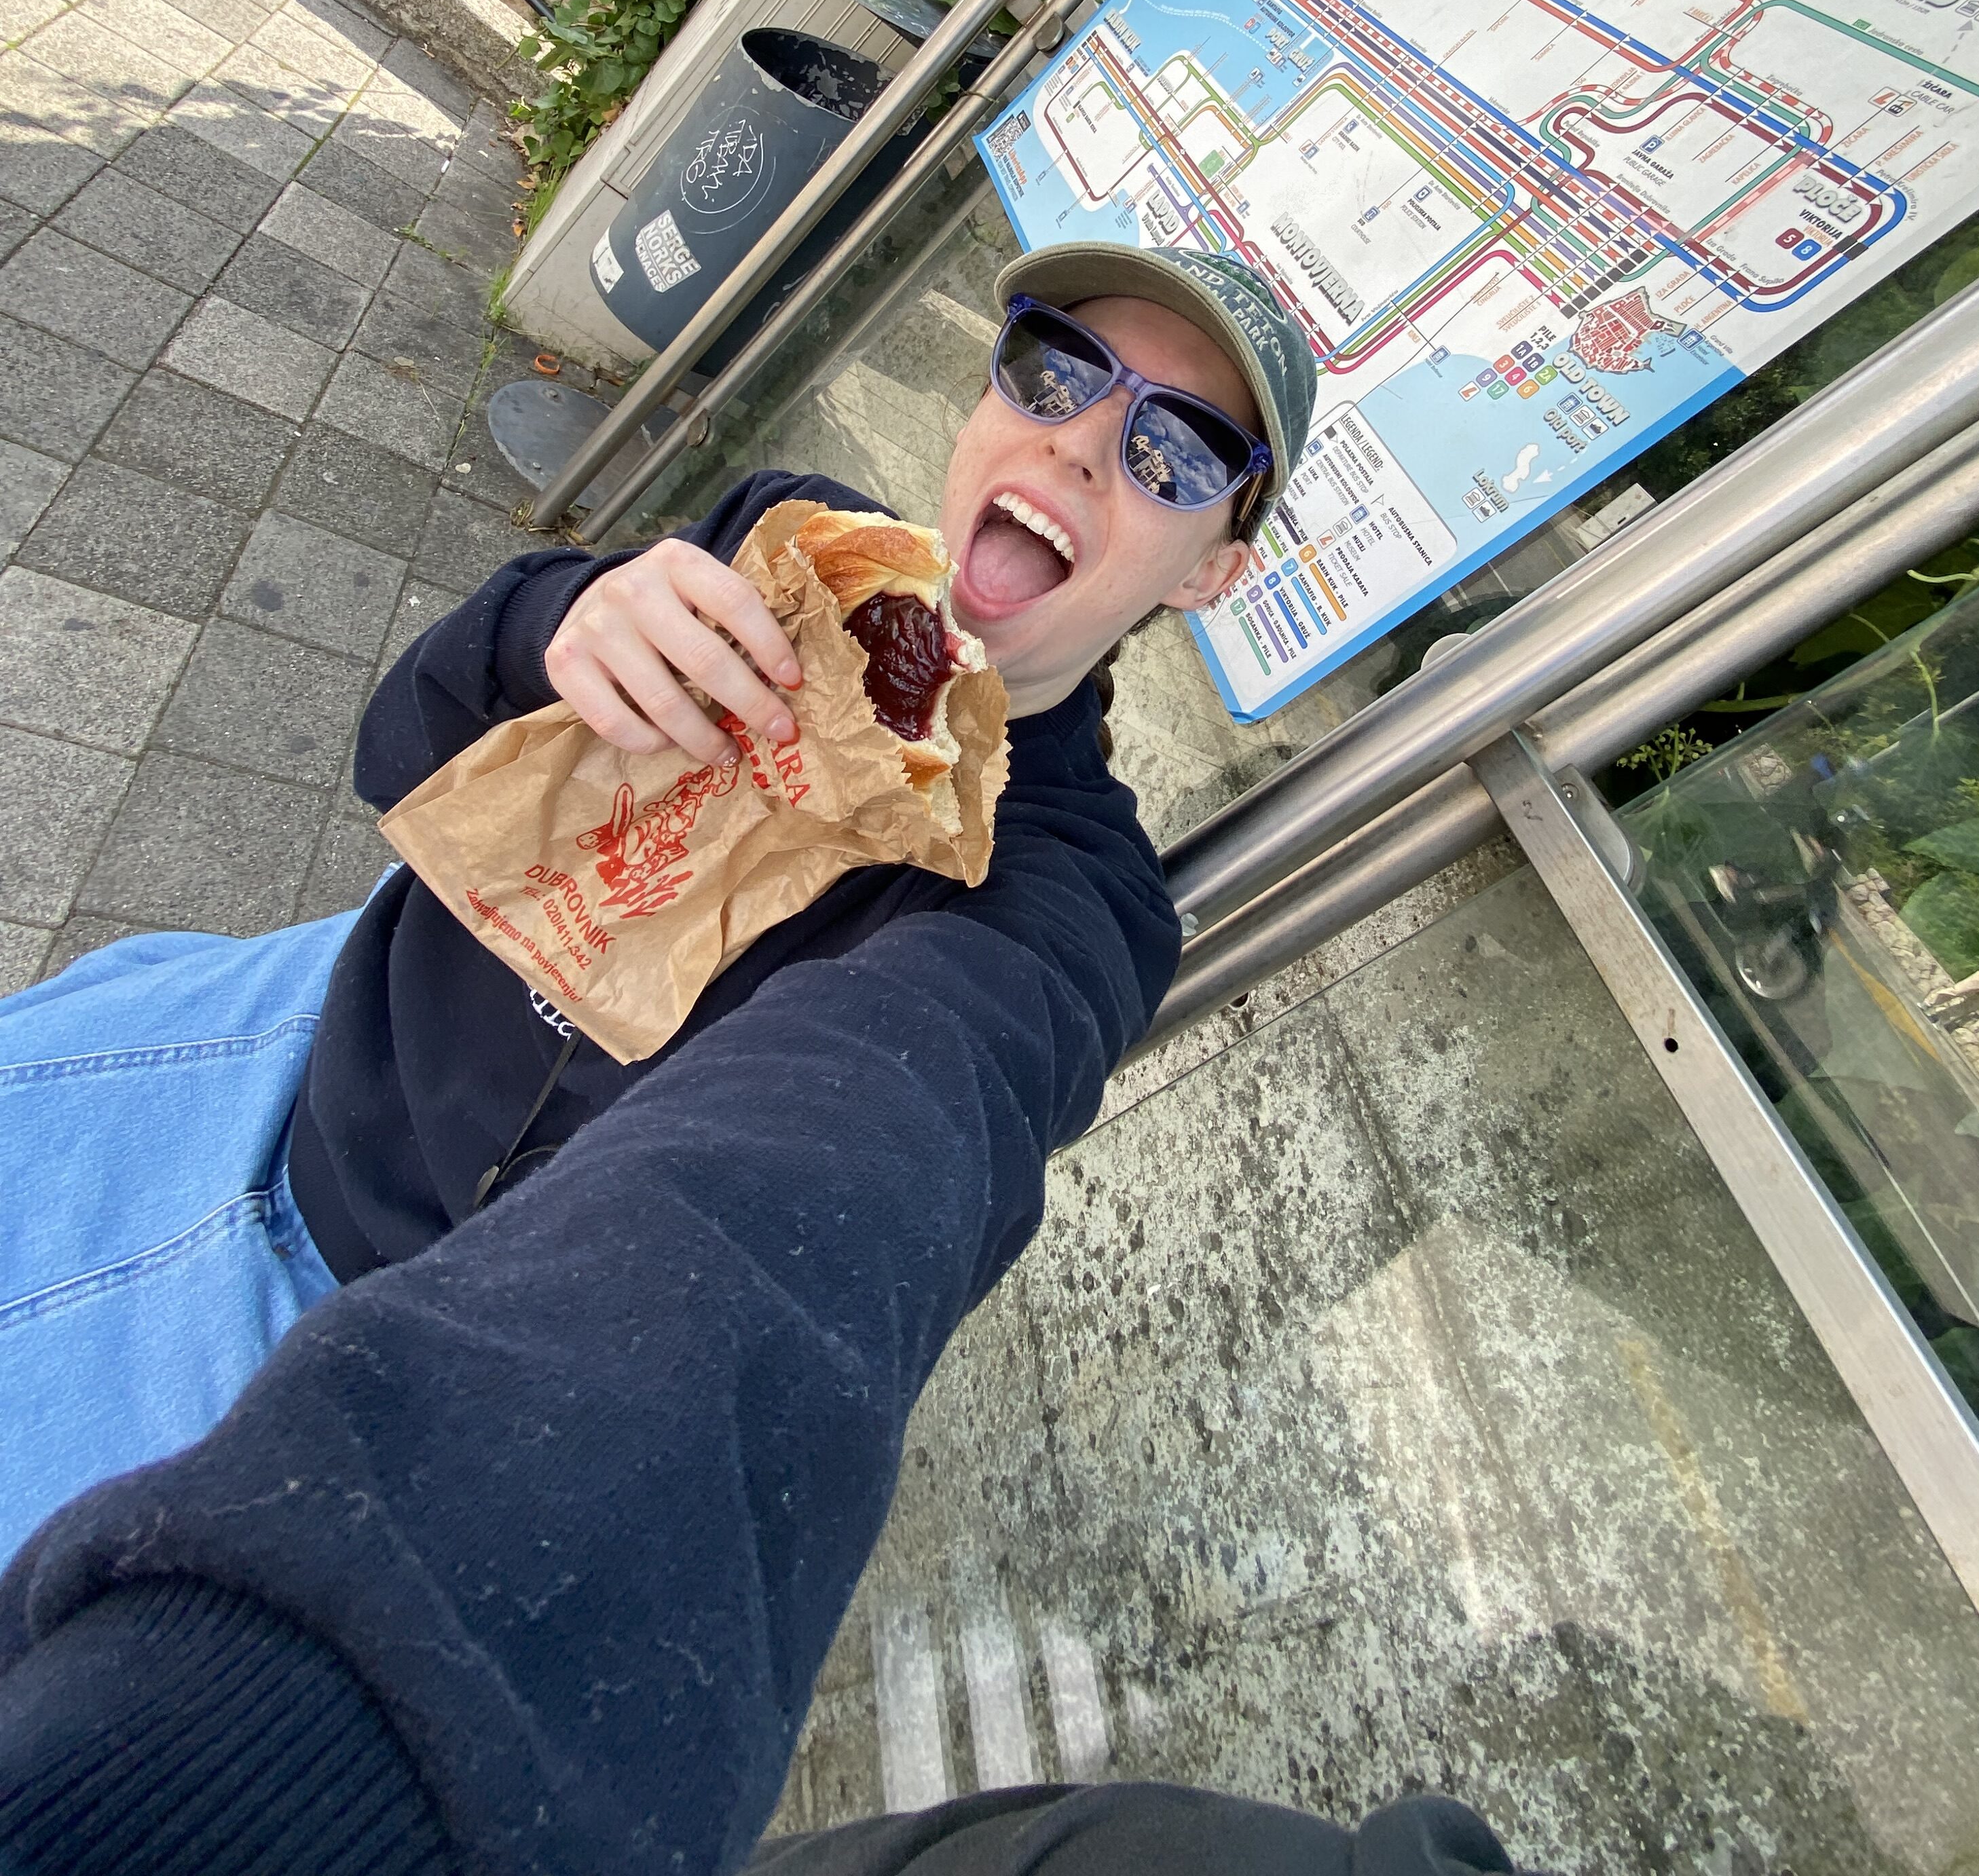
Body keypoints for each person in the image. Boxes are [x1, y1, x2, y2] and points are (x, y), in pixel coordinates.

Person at [0, 245, 1549, 1870]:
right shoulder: (777, 551)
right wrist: (552, 623)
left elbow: (824, 1188)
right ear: (984, 402)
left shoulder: (1060, 901)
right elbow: (404, 755)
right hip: (233, 1033)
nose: (1085, 444)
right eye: (1055, 371)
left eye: (1173, 455)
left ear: (1212, 573)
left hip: (334, 1360)